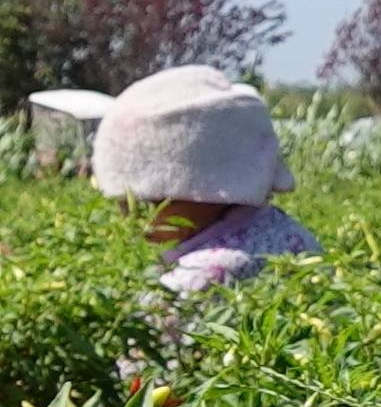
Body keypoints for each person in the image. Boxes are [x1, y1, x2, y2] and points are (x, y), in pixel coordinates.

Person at [94, 69, 321, 314]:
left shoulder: (205, 273)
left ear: (206, 185)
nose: (133, 219)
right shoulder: (283, 229)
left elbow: (143, 343)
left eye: (147, 203)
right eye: (123, 204)